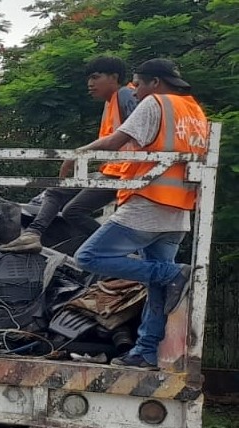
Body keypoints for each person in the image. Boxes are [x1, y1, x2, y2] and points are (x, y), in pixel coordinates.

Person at [72, 58, 209, 370]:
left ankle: (173, 274)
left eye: (138, 84)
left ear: (155, 83)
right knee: (157, 286)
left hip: (149, 202)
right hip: (178, 211)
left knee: (88, 257)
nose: (134, 92)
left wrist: (76, 155)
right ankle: (146, 352)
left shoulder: (155, 103)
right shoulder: (194, 111)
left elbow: (115, 140)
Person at [2, 56, 139, 254]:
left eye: (95, 77)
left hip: (126, 172)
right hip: (114, 171)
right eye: (89, 79)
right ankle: (32, 234)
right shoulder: (111, 103)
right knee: (56, 192)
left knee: (73, 210)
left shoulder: (126, 95)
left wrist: (79, 154)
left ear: (114, 77)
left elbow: (138, 133)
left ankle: (117, 249)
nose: (90, 84)